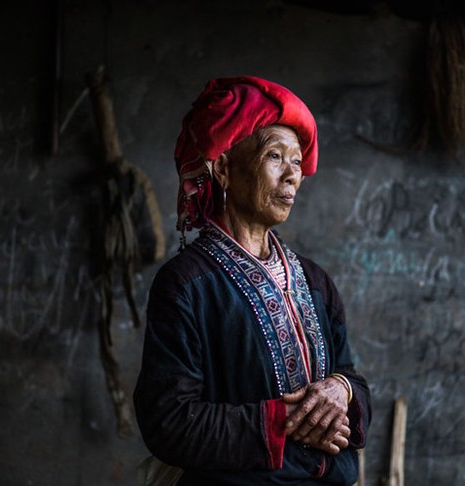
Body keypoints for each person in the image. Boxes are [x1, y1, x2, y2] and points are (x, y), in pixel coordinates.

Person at [134, 76, 371, 485]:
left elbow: (355, 379)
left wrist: (341, 390)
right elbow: (169, 421)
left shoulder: (315, 282)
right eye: (275, 156)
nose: (292, 175)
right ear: (224, 169)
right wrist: (283, 422)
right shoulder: (187, 285)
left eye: (297, 162)